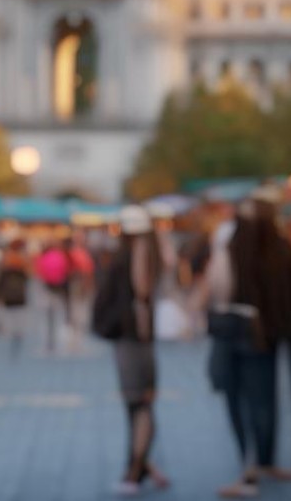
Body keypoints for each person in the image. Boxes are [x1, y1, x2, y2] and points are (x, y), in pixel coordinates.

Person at [211, 187, 291, 498]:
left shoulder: (235, 245)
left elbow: (220, 289)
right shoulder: (281, 248)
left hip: (238, 331)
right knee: (266, 400)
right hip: (271, 335)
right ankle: (266, 462)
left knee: (240, 403)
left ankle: (248, 472)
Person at [106, 206, 170, 496]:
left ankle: (135, 468)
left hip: (134, 337)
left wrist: (143, 331)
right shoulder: (150, 248)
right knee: (140, 402)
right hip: (137, 337)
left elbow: (141, 290)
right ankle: (141, 464)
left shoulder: (140, 249)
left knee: (138, 402)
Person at [0, 239, 31, 359]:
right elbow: (28, 275)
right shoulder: (22, 259)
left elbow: (0, 277)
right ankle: (17, 332)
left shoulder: (6, 258)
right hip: (19, 291)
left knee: (10, 314)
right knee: (18, 314)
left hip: (9, 291)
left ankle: (11, 332)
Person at [35, 238, 72, 353]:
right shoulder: (60, 256)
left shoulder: (43, 257)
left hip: (47, 287)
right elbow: (66, 270)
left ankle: (50, 340)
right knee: (59, 312)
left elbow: (39, 272)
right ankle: (61, 338)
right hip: (59, 287)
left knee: (49, 314)